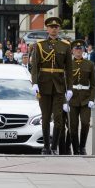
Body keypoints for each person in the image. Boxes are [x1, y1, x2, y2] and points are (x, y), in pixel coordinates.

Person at [29, 16, 73, 155]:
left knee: (59, 119)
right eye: (51, 27)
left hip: (59, 86)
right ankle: (46, 147)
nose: (54, 29)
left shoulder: (65, 45)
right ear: (47, 29)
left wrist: (70, 88)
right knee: (46, 118)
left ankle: (54, 147)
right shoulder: (40, 45)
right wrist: (35, 82)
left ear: (58, 29)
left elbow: (69, 69)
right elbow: (35, 66)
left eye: (56, 27)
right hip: (44, 85)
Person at [68, 40, 95, 155]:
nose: (78, 51)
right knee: (73, 126)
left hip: (85, 99)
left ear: (83, 51)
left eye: (80, 49)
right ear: (72, 51)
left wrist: (91, 99)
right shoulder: (68, 64)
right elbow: (64, 82)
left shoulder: (89, 64)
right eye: (76, 49)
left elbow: (93, 85)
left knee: (85, 123)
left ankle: (82, 146)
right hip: (72, 98)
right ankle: (76, 149)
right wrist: (65, 99)